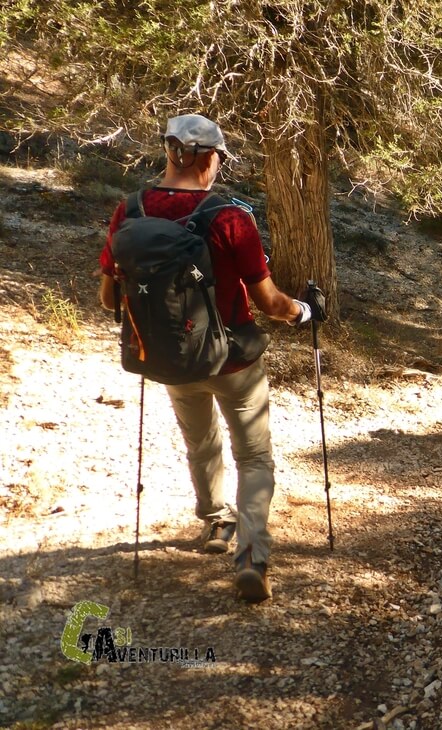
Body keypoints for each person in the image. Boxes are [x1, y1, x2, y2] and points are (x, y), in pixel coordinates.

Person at [97, 114, 324, 603]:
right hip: (234, 360)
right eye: (219, 156)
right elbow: (270, 304)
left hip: (171, 357)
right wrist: (304, 311)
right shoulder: (229, 218)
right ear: (205, 158)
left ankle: (216, 523)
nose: (219, 165)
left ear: (169, 152)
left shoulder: (131, 211)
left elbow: (108, 299)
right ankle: (252, 557)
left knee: (200, 443)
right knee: (255, 456)